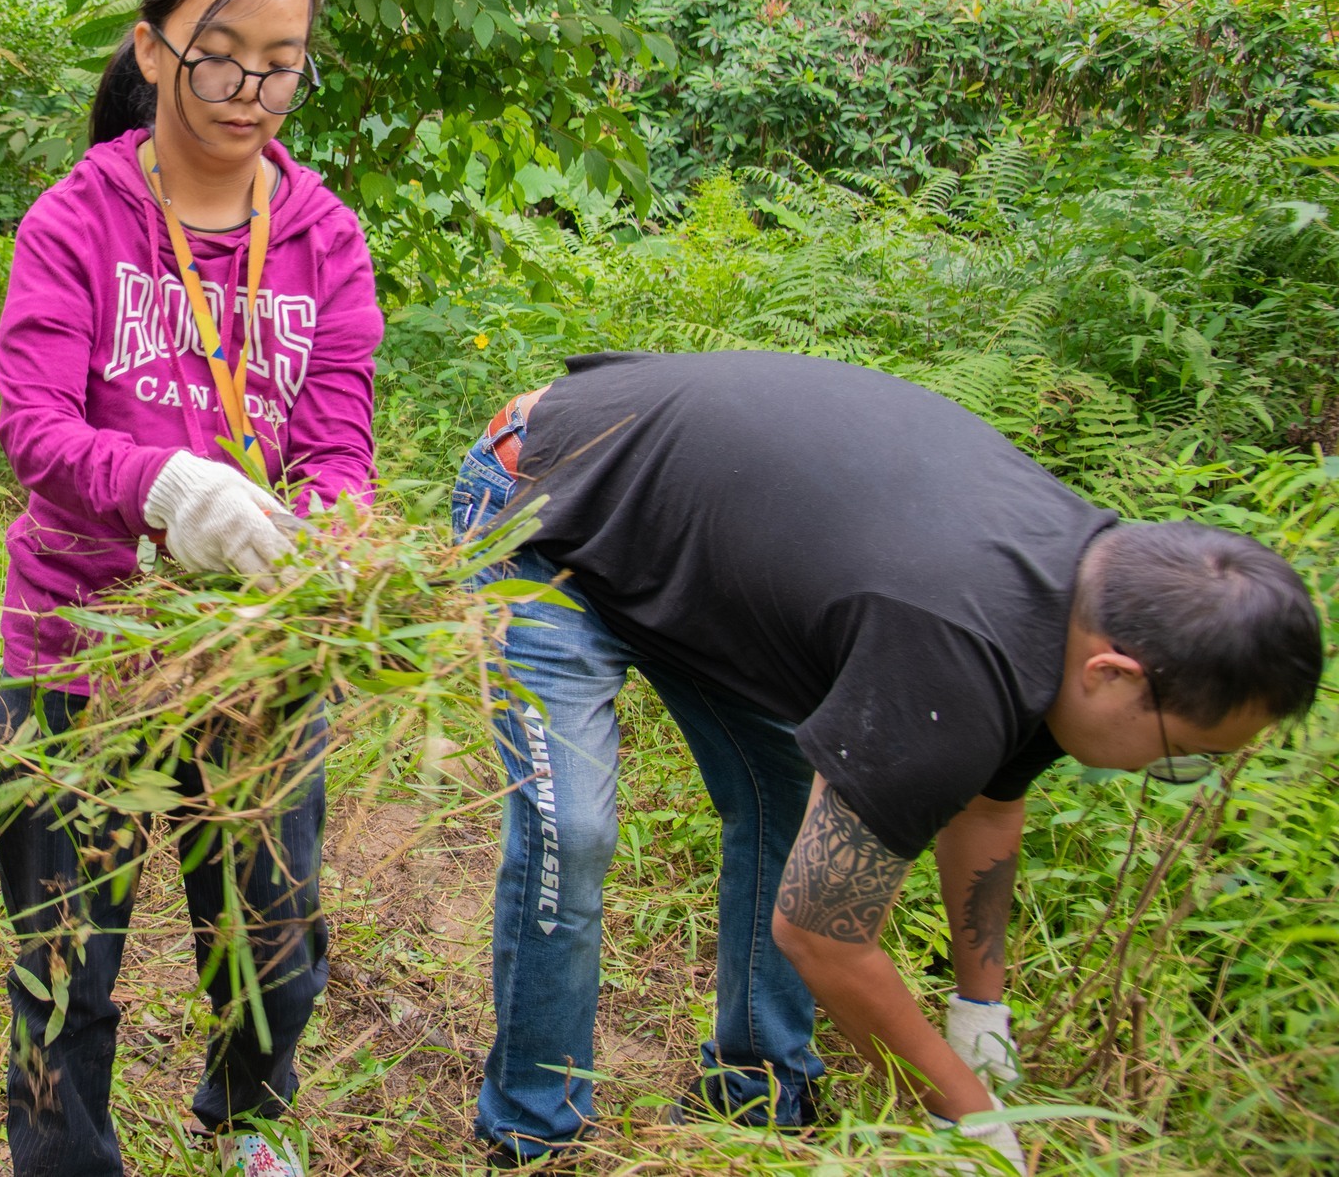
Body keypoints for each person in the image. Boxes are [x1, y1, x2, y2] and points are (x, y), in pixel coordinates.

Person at [454, 350, 1323, 1170]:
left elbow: (989, 802)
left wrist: (980, 1007)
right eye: (1183, 758)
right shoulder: (957, 644)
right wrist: (968, 1115)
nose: (1164, 776)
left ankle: (759, 1090)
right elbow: (824, 931)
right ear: (1113, 673)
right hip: (548, 493)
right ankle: (536, 1134)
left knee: (783, 806)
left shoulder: (1080, 596)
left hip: (677, 545)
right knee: (573, 831)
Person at [0, 0, 382, 1177]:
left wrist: (317, 543)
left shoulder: (322, 237)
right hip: (79, 660)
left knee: (270, 942)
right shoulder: (76, 221)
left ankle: (249, 1123)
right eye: (218, 56)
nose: (249, 92)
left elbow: (337, 445)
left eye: (280, 62)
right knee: (64, 966)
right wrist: (169, 488)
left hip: (253, 666)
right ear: (153, 50)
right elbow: (33, 430)